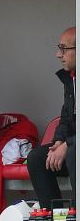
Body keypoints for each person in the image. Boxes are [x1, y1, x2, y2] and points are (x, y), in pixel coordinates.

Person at [27, 27, 76, 208]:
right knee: (38, 157)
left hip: (75, 148)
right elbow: (66, 118)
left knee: (73, 154)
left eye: (63, 49)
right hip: (72, 144)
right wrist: (59, 141)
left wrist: (68, 144)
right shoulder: (71, 79)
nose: (58, 54)